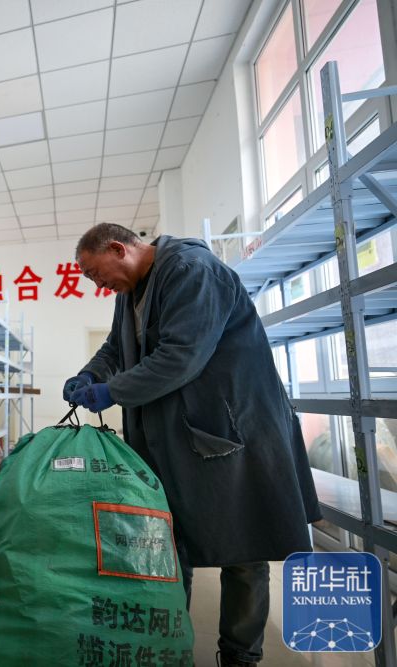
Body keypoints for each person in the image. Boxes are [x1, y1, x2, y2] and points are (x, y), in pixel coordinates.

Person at [64, 223, 321, 667]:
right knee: (167, 537)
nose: (96, 284)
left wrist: (113, 391)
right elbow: (115, 349)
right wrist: (91, 374)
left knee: (245, 548)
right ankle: (167, 643)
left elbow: (181, 356)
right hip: (181, 434)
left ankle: (240, 656)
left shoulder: (191, 269)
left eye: (94, 273)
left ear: (118, 249)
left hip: (232, 429)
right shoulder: (130, 292)